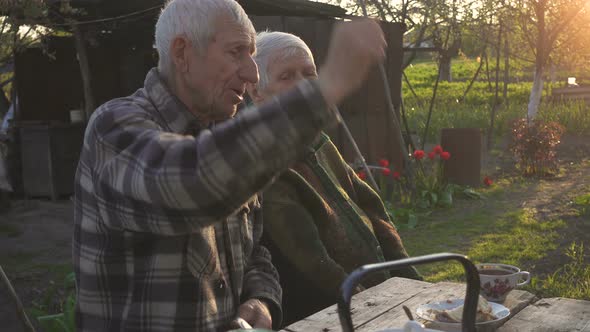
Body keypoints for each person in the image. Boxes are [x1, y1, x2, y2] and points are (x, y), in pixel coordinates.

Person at [72, 0, 387, 330]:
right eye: (237, 52)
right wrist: (326, 87)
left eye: (252, 55)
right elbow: (190, 188)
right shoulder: (114, 128)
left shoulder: (222, 136)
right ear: (182, 53)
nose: (252, 73)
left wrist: (261, 298)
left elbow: (255, 250)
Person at [246, 31, 421, 325]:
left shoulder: (319, 142)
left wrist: (411, 280)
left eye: (309, 73)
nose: (303, 85)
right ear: (255, 91)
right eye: (287, 76)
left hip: (375, 294)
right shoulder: (262, 161)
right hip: (326, 314)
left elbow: (372, 209)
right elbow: (311, 260)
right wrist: (372, 308)